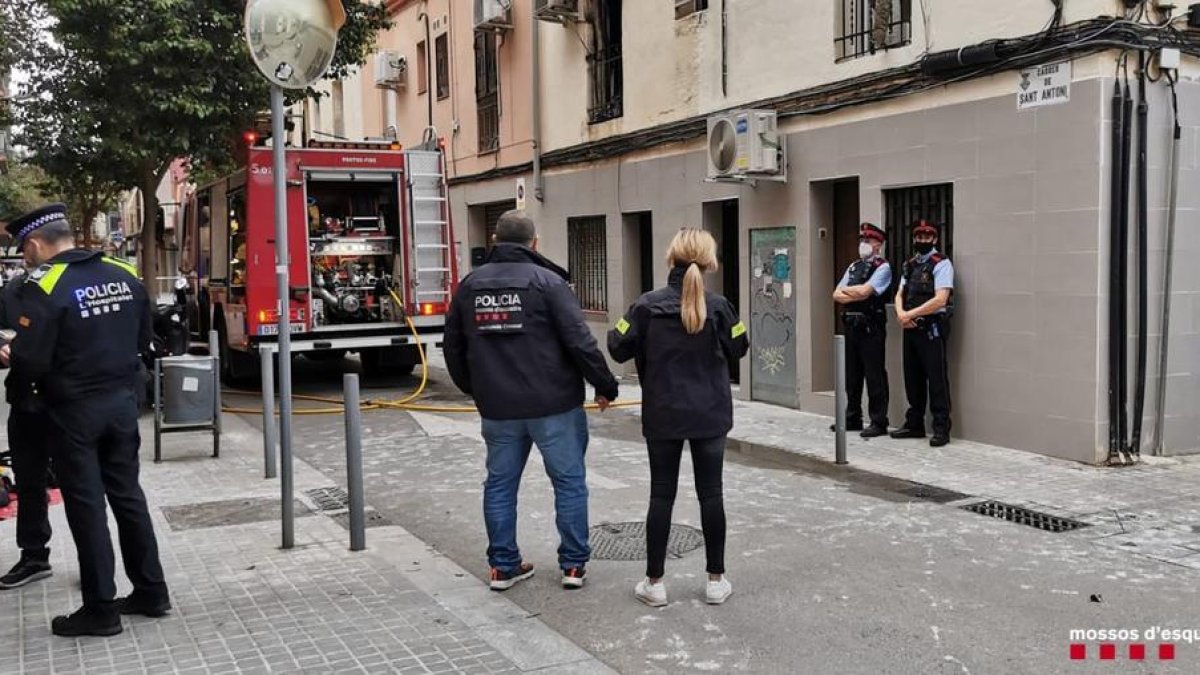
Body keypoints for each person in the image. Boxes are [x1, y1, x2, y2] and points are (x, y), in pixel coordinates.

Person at [2, 204, 170, 637]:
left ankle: (101, 608)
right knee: (128, 495)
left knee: (87, 505)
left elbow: (31, 360)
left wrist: (13, 364)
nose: (25, 258)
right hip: (122, 404)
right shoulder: (122, 272)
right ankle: (151, 591)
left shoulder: (45, 285)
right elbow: (144, 339)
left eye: (24, 249)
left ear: (37, 244)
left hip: (74, 411)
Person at [444, 210, 619, 592]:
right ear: (534, 243)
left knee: (500, 485)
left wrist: (476, 390)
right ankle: (573, 566)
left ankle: (503, 567)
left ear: (494, 239)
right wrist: (605, 384)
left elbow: (452, 348)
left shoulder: (470, 286)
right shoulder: (549, 283)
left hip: (499, 409)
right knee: (569, 483)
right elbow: (580, 341)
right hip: (554, 405)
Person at [608, 228, 749, 607]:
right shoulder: (720, 307)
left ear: (671, 258)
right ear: (708, 261)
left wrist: (627, 327)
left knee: (661, 494)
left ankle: (654, 584)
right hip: (710, 414)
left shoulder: (645, 306)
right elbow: (740, 346)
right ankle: (716, 581)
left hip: (664, 414)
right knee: (712, 494)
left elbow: (616, 344)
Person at [0, 265, 55, 590]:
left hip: (68, 401)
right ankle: (34, 555)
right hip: (26, 400)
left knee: (83, 484)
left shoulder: (80, 283)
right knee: (30, 480)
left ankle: (94, 561)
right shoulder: (16, 289)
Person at [891, 219, 956, 447]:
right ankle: (915, 424)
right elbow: (899, 293)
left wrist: (910, 314)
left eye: (927, 237)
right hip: (910, 327)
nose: (922, 241)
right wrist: (901, 313)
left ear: (935, 239)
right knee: (912, 377)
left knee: (936, 378)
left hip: (932, 328)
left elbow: (940, 299)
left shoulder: (942, 263)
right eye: (919, 237)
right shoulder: (909, 264)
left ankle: (941, 428)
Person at [831, 223, 892, 438]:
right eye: (862, 240)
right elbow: (836, 295)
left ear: (878, 244)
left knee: (874, 374)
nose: (863, 244)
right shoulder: (854, 266)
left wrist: (851, 292)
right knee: (852, 375)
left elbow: (867, 292)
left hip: (871, 326)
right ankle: (853, 416)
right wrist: (853, 292)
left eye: (868, 240)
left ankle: (878, 421)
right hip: (851, 325)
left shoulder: (882, 267)